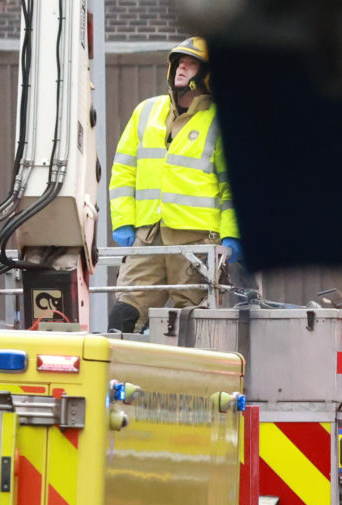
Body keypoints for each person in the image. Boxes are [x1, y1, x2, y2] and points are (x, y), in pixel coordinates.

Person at [109, 38, 239, 332]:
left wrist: (232, 236)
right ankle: (120, 377)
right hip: (149, 237)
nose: (182, 67)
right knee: (123, 315)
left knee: (196, 323)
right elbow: (123, 172)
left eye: (191, 63)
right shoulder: (146, 112)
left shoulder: (221, 121)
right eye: (179, 61)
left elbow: (233, 189)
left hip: (197, 242)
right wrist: (124, 222)